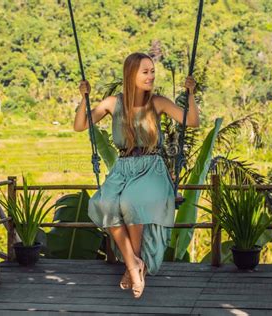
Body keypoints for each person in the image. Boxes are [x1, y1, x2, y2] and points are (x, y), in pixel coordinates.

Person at [73, 52, 199, 298]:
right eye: (145, 71)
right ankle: (134, 264)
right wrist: (83, 98)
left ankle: (131, 267)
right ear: (131, 74)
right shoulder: (112, 103)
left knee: (131, 202)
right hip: (123, 167)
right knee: (103, 203)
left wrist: (191, 94)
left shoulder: (158, 102)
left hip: (151, 167)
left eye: (152, 71)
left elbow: (191, 121)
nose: (151, 76)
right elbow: (81, 125)